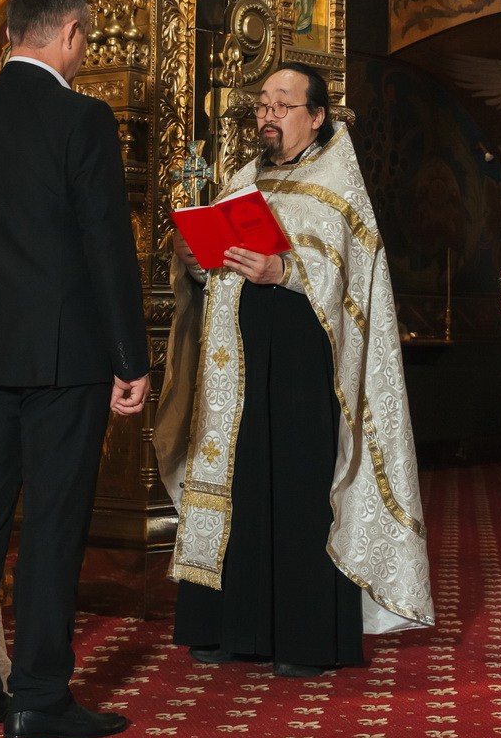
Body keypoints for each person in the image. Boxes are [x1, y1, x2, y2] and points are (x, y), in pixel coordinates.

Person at [0, 0, 150, 738]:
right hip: (66, 359)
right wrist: (132, 354)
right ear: (69, 35)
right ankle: (39, 698)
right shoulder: (81, 120)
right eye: (84, 39)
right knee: (53, 524)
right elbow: (106, 248)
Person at [157, 64, 434, 679]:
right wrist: (196, 258)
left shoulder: (338, 182)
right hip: (237, 372)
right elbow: (217, 274)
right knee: (240, 484)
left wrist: (284, 271)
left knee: (297, 488)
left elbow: (352, 284)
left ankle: (303, 638)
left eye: (283, 104)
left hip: (307, 371)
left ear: (316, 116)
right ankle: (228, 627)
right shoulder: (242, 179)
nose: (268, 115)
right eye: (262, 104)